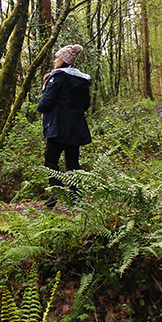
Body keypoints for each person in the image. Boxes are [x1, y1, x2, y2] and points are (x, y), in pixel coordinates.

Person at [37, 44, 92, 208]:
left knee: (51, 160)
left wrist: (40, 107)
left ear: (64, 60)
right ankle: (76, 198)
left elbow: (47, 101)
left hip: (58, 127)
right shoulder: (80, 79)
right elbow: (86, 104)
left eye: (57, 58)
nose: (55, 61)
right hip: (75, 127)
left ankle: (56, 192)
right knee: (73, 162)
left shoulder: (58, 78)